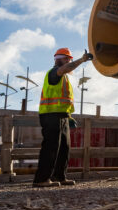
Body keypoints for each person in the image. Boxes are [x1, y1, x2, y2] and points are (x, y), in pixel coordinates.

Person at [33, 47, 92, 188]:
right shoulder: (54, 73)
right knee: (51, 147)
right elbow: (66, 68)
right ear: (62, 60)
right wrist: (82, 60)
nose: (69, 63)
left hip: (62, 116)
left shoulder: (63, 77)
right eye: (68, 60)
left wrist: (69, 116)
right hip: (51, 115)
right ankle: (41, 179)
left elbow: (64, 101)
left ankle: (59, 176)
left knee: (64, 148)